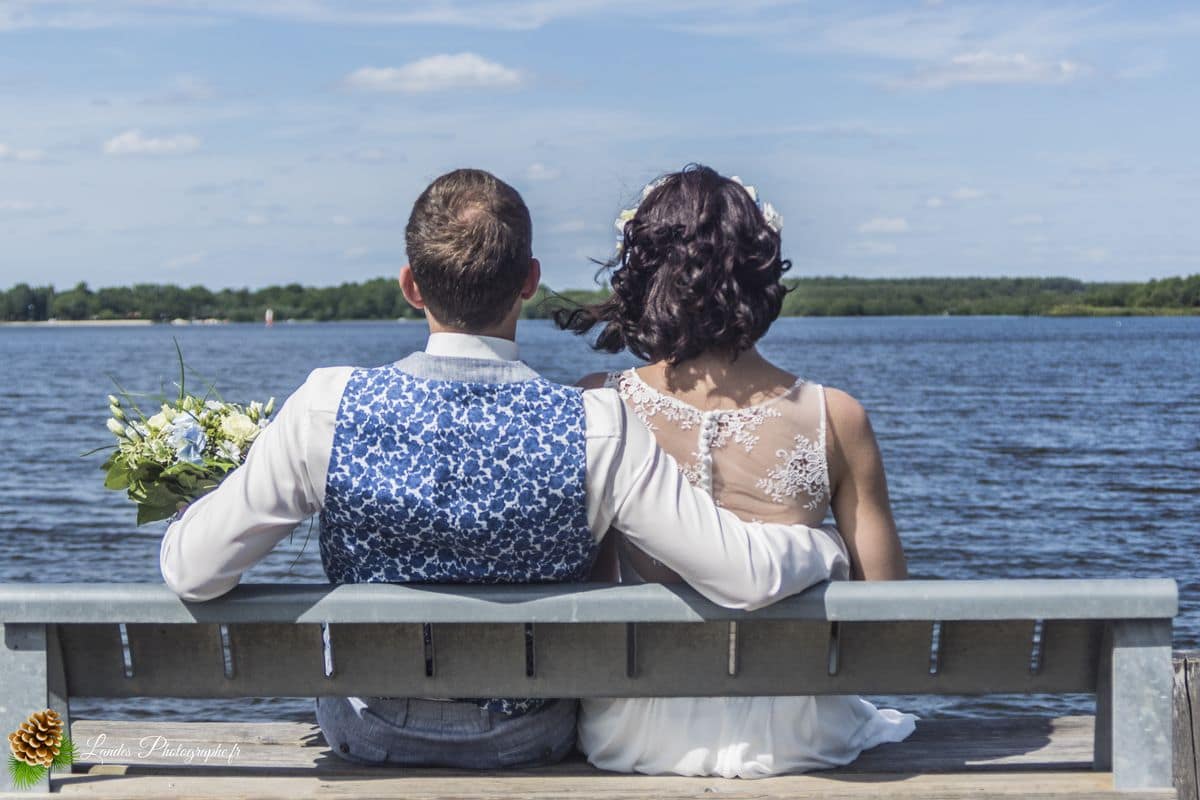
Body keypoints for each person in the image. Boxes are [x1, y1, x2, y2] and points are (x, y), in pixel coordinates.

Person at [158, 168, 851, 771]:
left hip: (367, 729)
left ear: (410, 285)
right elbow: (742, 576)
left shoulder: (326, 406)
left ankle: (34, 767)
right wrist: (819, 545)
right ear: (529, 280)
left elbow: (193, 570)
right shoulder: (598, 424)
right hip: (529, 734)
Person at [558, 164, 916, 779]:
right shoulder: (836, 417)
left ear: (645, 273)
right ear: (761, 272)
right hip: (798, 731)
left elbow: (584, 594)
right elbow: (890, 623)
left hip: (641, 728)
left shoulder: (599, 405)